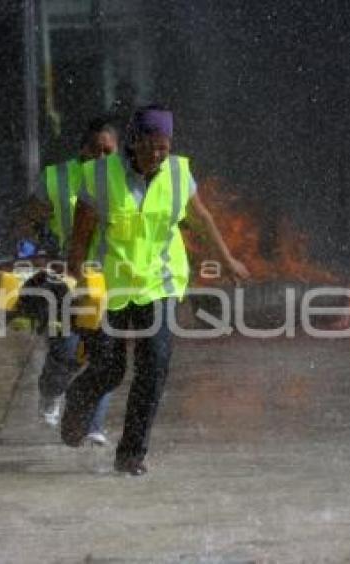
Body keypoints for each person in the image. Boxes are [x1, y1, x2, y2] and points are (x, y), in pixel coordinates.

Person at [61, 105, 250, 475]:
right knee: (111, 369)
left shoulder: (179, 173)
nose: (157, 154)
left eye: (164, 147)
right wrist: (76, 275)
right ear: (133, 142)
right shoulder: (99, 175)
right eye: (150, 146)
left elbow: (201, 218)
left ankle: (131, 454)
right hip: (109, 284)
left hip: (159, 284)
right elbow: (81, 233)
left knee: (154, 366)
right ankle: (79, 398)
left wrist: (227, 260)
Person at [18, 117, 119, 445]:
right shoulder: (57, 178)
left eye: (109, 151)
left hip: (109, 278)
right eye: (95, 150)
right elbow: (25, 224)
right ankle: (51, 390)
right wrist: (36, 253)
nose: (101, 158)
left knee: (103, 353)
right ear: (82, 149)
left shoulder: (129, 180)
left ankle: (92, 424)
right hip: (65, 278)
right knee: (65, 348)